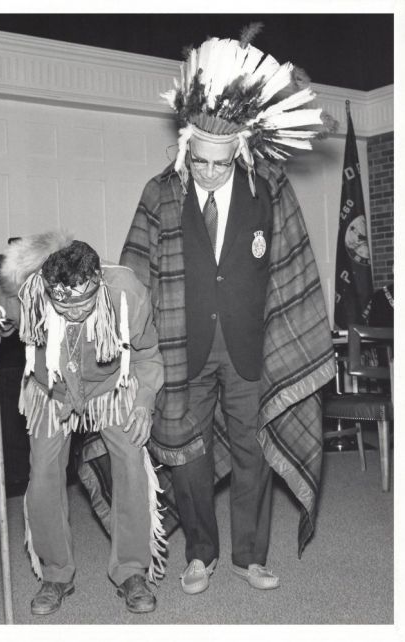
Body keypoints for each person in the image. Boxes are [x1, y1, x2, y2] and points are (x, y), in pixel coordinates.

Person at [120, 27, 336, 595]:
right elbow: (134, 274)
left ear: (239, 149)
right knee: (187, 455)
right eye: (201, 161)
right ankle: (200, 554)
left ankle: (250, 555)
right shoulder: (159, 193)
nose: (210, 173)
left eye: (221, 163)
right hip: (181, 348)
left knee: (253, 449)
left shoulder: (269, 189)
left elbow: (293, 267)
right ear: (187, 143)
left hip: (250, 348)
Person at [0, 234, 165, 616]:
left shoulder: (127, 292)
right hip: (50, 390)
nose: (72, 313)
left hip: (110, 387)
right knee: (44, 476)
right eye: (62, 304)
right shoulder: (30, 291)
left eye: (83, 303)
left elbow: (149, 355)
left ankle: (132, 570)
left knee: (132, 465)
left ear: (98, 283)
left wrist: (143, 403)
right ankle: (55, 573)